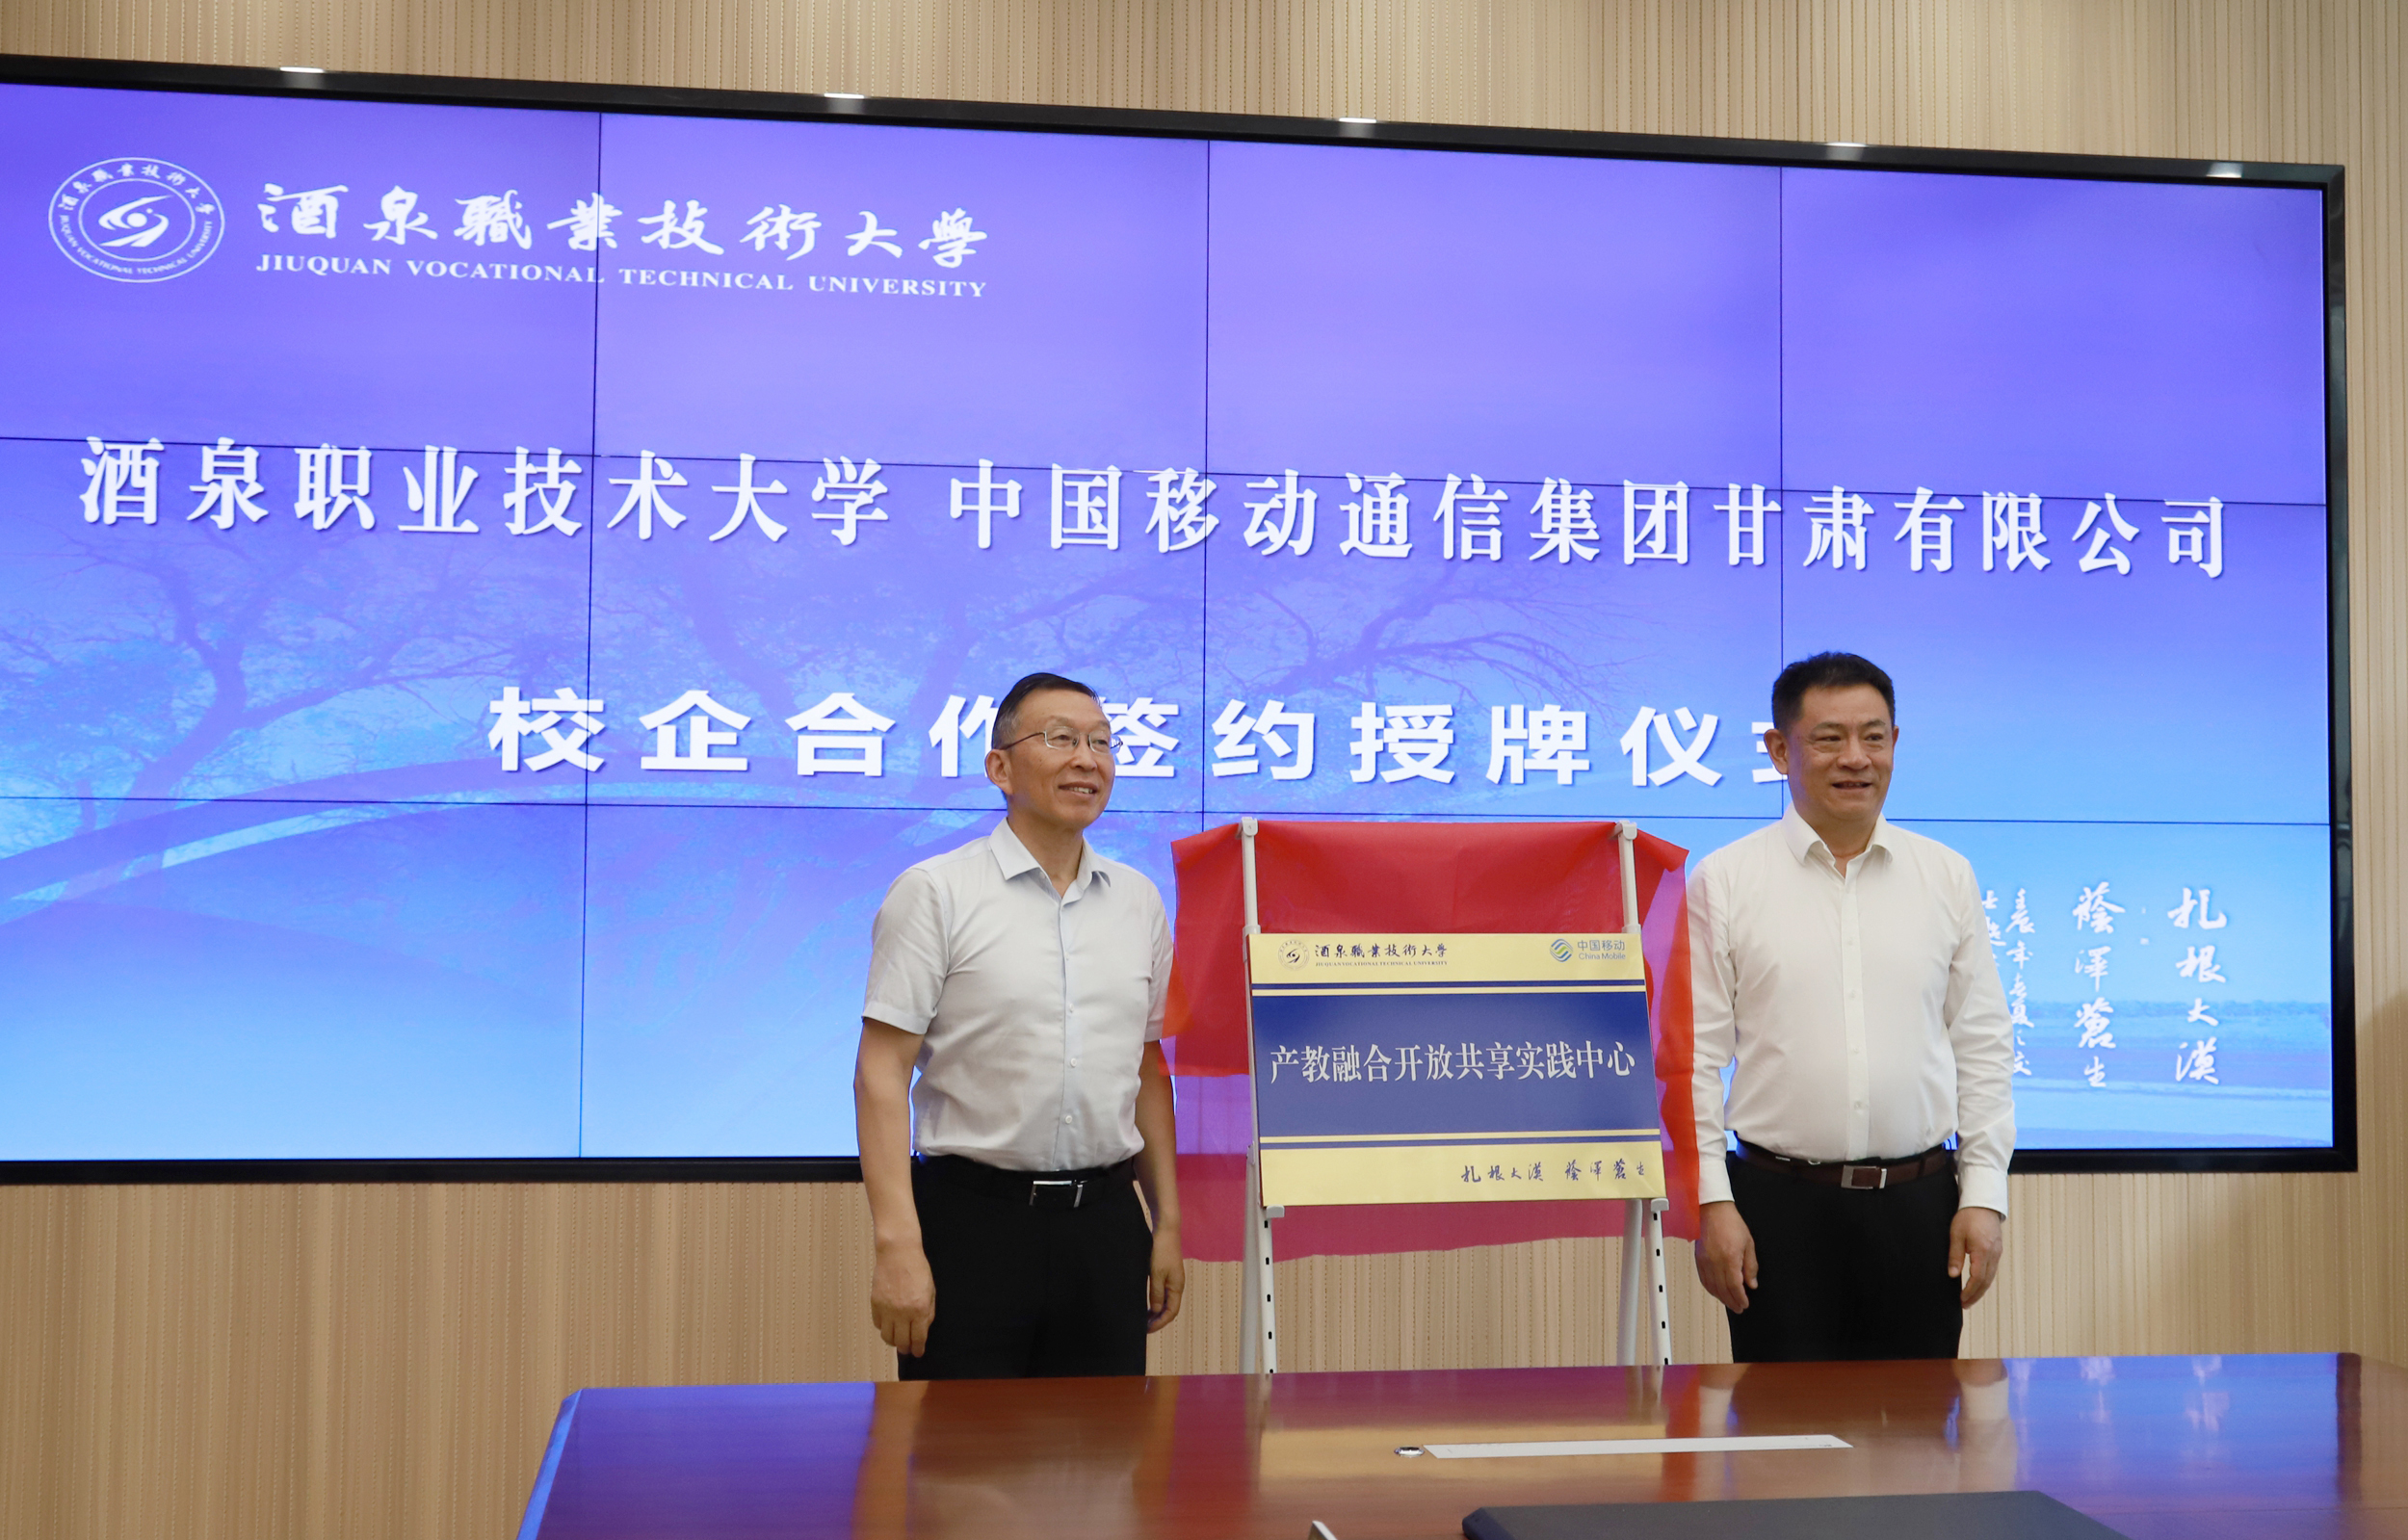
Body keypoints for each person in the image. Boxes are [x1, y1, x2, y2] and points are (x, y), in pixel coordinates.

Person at [853, 670, 1183, 1378]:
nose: (1087, 760)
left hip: (1105, 1224)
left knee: (1107, 1444)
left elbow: (1148, 1069)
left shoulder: (1139, 901)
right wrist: (897, 1242)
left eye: (1101, 742)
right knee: (957, 1445)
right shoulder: (936, 892)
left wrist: (1167, 1224)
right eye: (1061, 739)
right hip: (972, 1223)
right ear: (1000, 768)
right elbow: (880, 1072)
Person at [1688, 651, 2015, 1361]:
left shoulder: (1946, 875)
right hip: (1777, 1207)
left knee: (1921, 1422)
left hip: (1920, 1207)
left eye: (1873, 736)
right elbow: (1693, 1061)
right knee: (1781, 1424)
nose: (1856, 758)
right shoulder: (1725, 880)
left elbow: (1983, 1045)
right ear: (1780, 750)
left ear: (1895, 742)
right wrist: (1712, 1201)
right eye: (1829, 738)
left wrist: (1984, 1195)